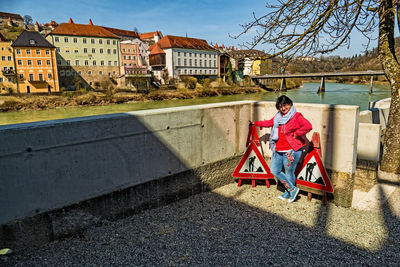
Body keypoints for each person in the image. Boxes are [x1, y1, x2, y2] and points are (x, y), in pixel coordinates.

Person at [252, 95, 312, 202]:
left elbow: (308, 126)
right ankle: (292, 190)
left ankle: (288, 192)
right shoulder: (278, 116)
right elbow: (270, 122)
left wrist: (297, 134)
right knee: (274, 170)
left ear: (290, 104)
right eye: (280, 106)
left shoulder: (297, 116)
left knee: (289, 172)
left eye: (285, 105)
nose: (283, 108)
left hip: (291, 150)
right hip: (278, 149)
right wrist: (256, 123)